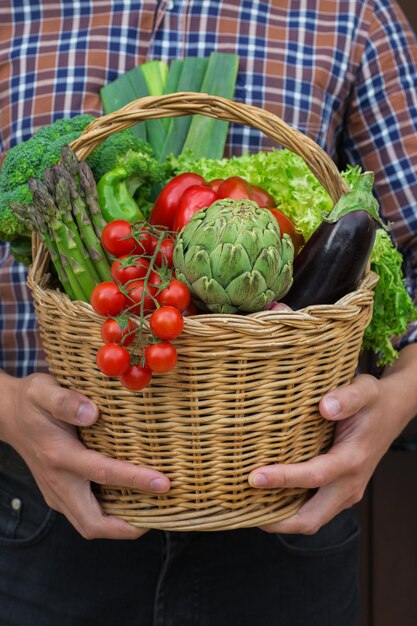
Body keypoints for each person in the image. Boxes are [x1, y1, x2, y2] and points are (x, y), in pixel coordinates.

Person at [1, 1, 417, 624]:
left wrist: (396, 402)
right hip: (39, 515)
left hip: (286, 519)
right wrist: (6, 409)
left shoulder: (354, 15)